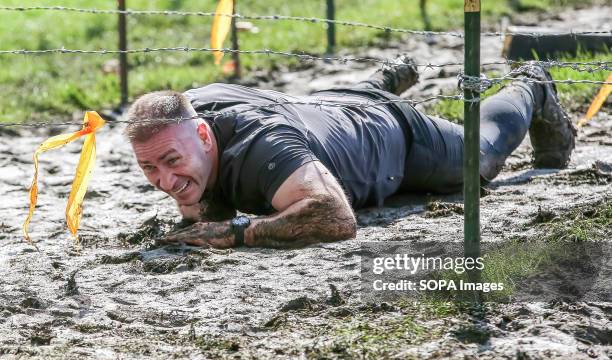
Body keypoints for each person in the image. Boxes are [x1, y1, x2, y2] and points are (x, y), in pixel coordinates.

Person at [125, 57, 576, 248]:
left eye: (172, 162)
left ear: (204, 137)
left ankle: (531, 86)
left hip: (391, 136)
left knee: (483, 156)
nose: (164, 181)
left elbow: (336, 218)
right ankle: (374, 84)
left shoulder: (265, 149)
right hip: (325, 105)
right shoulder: (182, 113)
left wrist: (241, 233)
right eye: (149, 167)